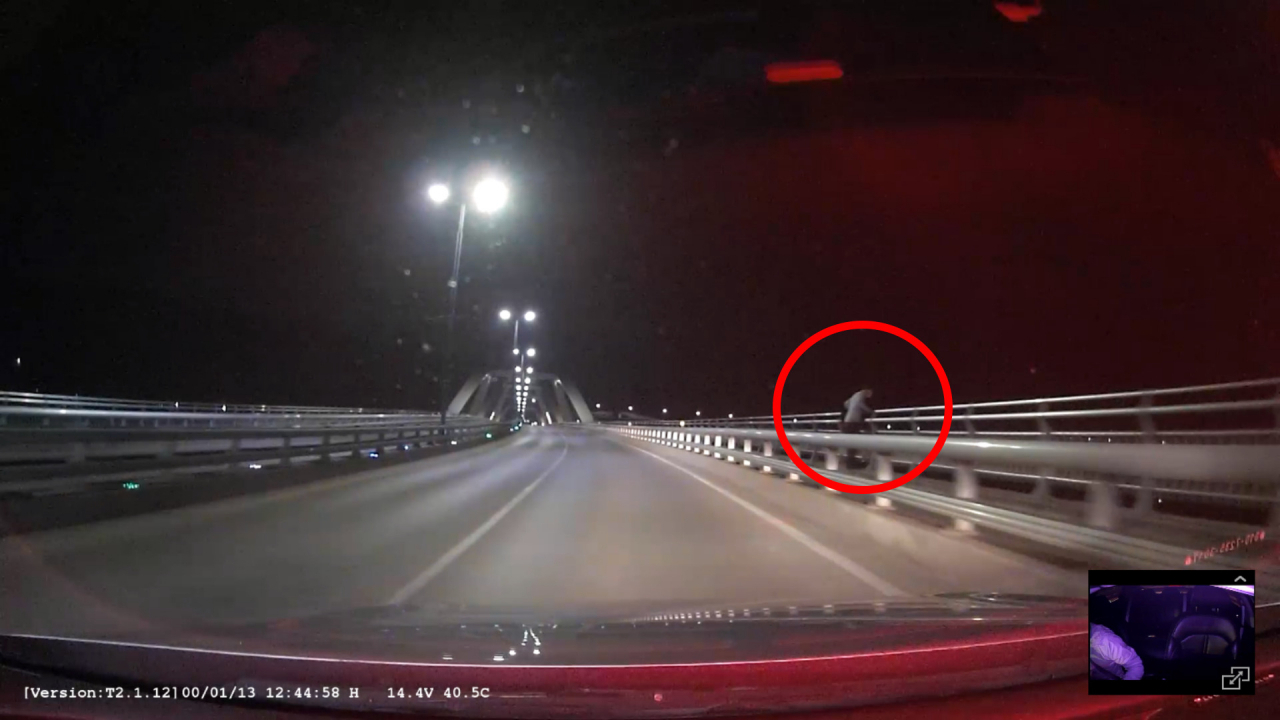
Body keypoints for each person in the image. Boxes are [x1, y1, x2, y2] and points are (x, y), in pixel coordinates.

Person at [839, 388, 874, 467]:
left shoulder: (855, 395)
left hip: (848, 420)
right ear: (867, 391)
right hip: (854, 421)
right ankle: (851, 463)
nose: (869, 397)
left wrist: (852, 409)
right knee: (853, 443)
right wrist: (869, 411)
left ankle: (850, 462)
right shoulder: (861, 395)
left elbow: (846, 404)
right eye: (869, 395)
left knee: (851, 443)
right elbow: (860, 404)